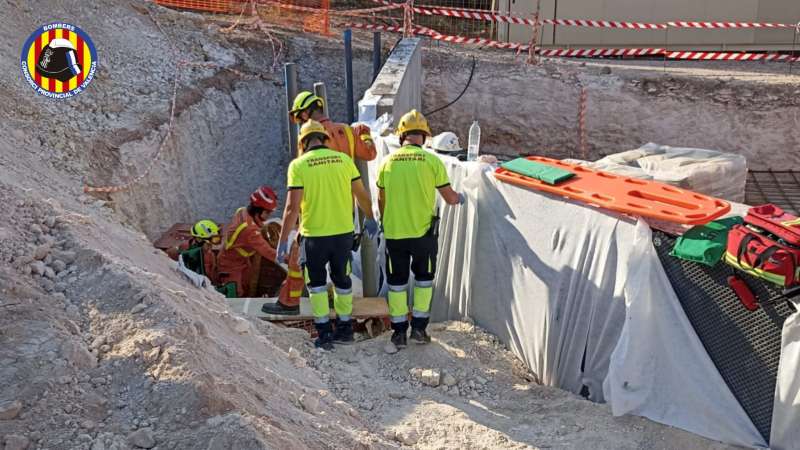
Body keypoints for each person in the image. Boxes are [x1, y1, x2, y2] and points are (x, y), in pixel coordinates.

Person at [264, 91, 377, 315]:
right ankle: (340, 312)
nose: (300, 124)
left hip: (314, 215)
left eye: (299, 118)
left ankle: (290, 302)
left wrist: (288, 231)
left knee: (301, 260)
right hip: (344, 214)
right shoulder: (346, 131)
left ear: (306, 113)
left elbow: (296, 193)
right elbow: (370, 154)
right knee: (340, 270)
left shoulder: (306, 144)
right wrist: (364, 134)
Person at [276, 120, 378, 350]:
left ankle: (323, 333)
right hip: (343, 236)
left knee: (317, 285)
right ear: (325, 139)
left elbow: (292, 208)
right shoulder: (344, 161)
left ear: (303, 142)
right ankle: (345, 329)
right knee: (343, 282)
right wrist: (370, 218)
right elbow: (361, 195)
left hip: (314, 238)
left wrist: (283, 241)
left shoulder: (298, 166)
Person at [377, 110, 464, 350]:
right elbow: (449, 198)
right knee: (424, 280)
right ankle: (418, 329)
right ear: (424, 137)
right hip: (423, 236)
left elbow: (381, 200)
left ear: (401, 135)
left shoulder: (387, 162)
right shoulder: (432, 161)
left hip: (395, 235)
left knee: (396, 283)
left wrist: (386, 221)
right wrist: (462, 197)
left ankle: (398, 334)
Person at [217, 186, 279, 298]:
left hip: (241, 261)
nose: (269, 215)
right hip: (230, 265)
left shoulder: (242, 211)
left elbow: (257, 226)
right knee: (235, 293)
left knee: (247, 284)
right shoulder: (250, 230)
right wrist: (288, 259)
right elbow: (267, 251)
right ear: (258, 210)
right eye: (268, 212)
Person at [166, 219, 222, 284]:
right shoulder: (187, 250)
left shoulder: (208, 253)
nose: (212, 244)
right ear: (201, 239)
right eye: (213, 239)